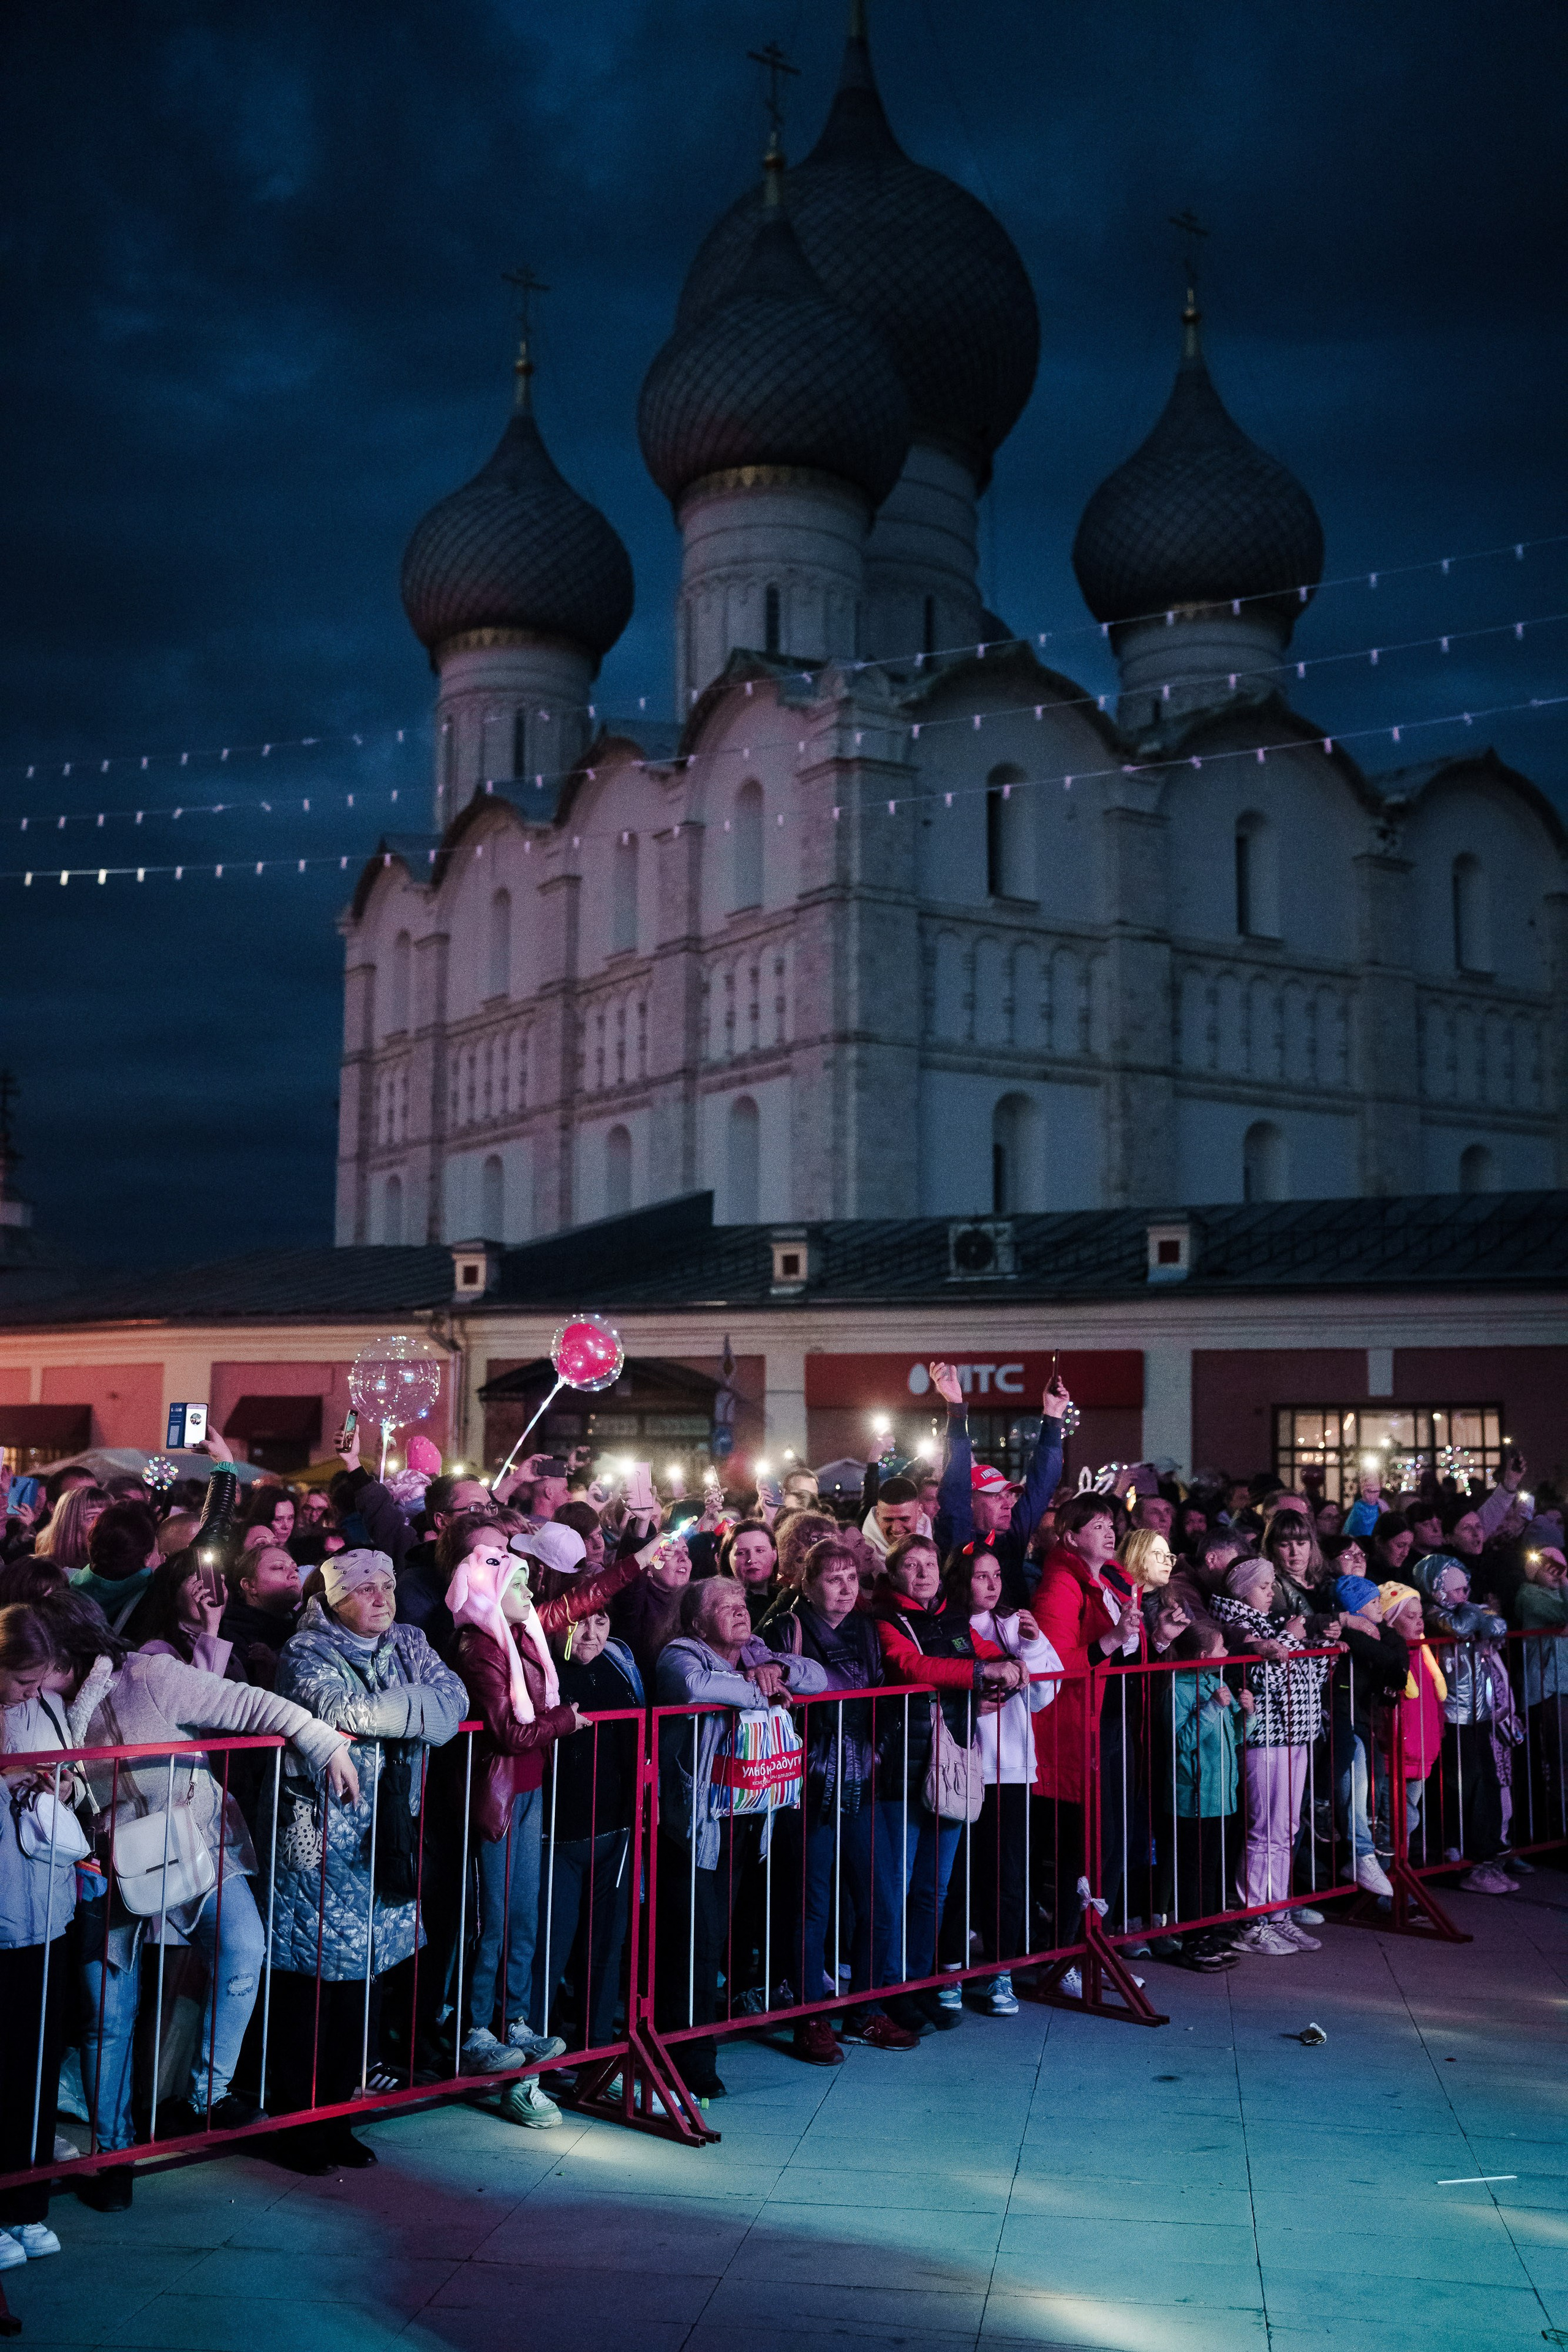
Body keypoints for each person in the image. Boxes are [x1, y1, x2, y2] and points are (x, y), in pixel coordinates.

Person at [18, 1591, 356, 2201]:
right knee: (108, 2019)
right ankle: (113, 2153)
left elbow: (249, 1703)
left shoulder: (147, 1674)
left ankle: (209, 2093)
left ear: (67, 1647)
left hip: (197, 1845)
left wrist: (322, 1740)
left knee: (242, 1948)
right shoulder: (38, 1701)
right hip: (107, 1869)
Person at [268, 1551, 466, 2171]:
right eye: (365, 1590)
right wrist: (419, 1714)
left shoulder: (409, 1640)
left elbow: (454, 1703)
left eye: (387, 1586)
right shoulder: (305, 1653)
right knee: (315, 1992)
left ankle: (339, 2118)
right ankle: (299, 2122)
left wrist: (414, 1715)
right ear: (333, 1600)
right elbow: (341, 1712)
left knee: (365, 1990)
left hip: (386, 1840)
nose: (383, 1598)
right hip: (323, 1843)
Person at [654, 1577, 827, 2098]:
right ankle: (689, 2056)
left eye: (741, 1603)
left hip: (747, 1818)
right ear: (696, 1620)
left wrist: (781, 1669)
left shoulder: (756, 1649)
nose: (739, 1612)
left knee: (718, 1936)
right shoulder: (679, 1653)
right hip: (697, 1822)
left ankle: (698, 2037)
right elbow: (695, 1688)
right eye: (724, 1606)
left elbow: (816, 1677)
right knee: (694, 1941)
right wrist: (763, 1687)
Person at [760, 1537, 919, 2062]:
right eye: (833, 1578)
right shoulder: (786, 1628)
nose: (846, 1588)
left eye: (852, 1577)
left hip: (865, 1775)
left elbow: (886, 1693)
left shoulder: (870, 1630)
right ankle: (810, 2017)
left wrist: (878, 1748)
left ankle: (867, 2009)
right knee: (812, 1905)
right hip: (809, 1780)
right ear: (807, 1584)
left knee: (878, 1896)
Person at [445, 1531, 579, 2123]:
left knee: (524, 1911)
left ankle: (516, 2019)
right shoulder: (482, 1647)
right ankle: (475, 2027)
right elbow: (509, 1732)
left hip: (527, 1790)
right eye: (519, 1583)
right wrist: (565, 1720)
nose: (531, 1591)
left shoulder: (526, 1637)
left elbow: (588, 1595)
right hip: (497, 1796)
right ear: (492, 1593)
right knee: (493, 1919)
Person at [866, 1532, 1021, 2032]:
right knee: (898, 1886)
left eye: (929, 1563)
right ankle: (889, 1989)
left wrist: (1014, 1666)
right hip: (902, 1769)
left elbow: (989, 1652)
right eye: (911, 1565)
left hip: (950, 1766)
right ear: (895, 1575)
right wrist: (982, 1674)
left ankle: (916, 1982)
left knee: (934, 1887)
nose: (923, 1573)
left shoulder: (953, 1618)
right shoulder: (886, 1620)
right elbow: (912, 1666)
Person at [941, 1543, 1061, 2016]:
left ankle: (1000, 1973)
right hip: (959, 1767)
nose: (991, 1585)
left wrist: (1031, 1642)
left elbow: (1044, 1693)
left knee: (1008, 1876)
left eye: (996, 1575)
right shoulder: (947, 1627)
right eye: (980, 1576)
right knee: (958, 1873)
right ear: (961, 1580)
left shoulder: (1013, 1625)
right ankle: (951, 1969)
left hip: (1010, 1769)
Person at [0, 1605, 83, 2267]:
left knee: (35, 2065)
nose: (32, 1690)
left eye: (38, 1680)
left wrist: (64, 1784)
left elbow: (79, 1779)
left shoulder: (48, 1711)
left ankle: (27, 2204)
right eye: (22, 1680)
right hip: (5, 1917)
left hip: (47, 1913)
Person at [1031, 1493, 1144, 1972]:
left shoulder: (1115, 1579)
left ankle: (1095, 1946)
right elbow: (1054, 1667)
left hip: (1114, 1721)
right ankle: (1068, 1958)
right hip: (1080, 1729)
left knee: (1114, 1840)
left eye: (1111, 1523)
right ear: (1072, 1537)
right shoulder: (1060, 1584)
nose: (1109, 1531)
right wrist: (1112, 1640)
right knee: (1089, 1847)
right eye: (1096, 1525)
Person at [1210, 1557, 1333, 1956]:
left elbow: (1309, 1676)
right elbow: (1266, 1677)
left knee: (1287, 1828)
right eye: (1264, 1585)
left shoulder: (1273, 1624)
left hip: (1295, 1732)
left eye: (1272, 1585)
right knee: (1264, 1829)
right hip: (1264, 1736)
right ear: (1243, 1588)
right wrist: (1294, 1641)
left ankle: (1276, 1911)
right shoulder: (1238, 1625)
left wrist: (1312, 1651)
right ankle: (1251, 1918)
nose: (1271, 1592)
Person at [533, 1605, 639, 2060]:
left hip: (613, 1830)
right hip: (554, 1834)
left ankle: (596, 2049)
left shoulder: (617, 1664)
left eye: (602, 1621)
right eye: (582, 1622)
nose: (593, 1634)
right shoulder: (539, 1670)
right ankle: (538, 2048)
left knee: (605, 1948)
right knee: (547, 1949)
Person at [1410, 1554, 1520, 1893]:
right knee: (1462, 1788)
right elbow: (1461, 1626)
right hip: (1453, 1715)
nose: (1464, 1595)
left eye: (1466, 1588)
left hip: (1479, 1713)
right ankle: (1465, 1860)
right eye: (1456, 1590)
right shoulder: (1434, 1614)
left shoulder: (1464, 1611)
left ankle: (1484, 1858)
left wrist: (1485, 1618)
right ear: (1438, 1591)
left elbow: (1497, 1625)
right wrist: (1478, 1614)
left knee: (1485, 1784)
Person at [930, 1360, 1071, 1607]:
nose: (1008, 1503)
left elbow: (1042, 1484)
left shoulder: (1011, 1534)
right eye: (996, 1496)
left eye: (1009, 1494)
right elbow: (955, 1486)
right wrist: (956, 1409)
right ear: (970, 1503)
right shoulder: (957, 1537)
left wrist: (1053, 1416)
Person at [1152, 1620, 1248, 1969]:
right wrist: (1212, 1708)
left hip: (1221, 1794)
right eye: (1223, 1648)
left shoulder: (1214, 1681)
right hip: (1190, 1798)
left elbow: (1235, 1736)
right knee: (1193, 1871)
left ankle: (1210, 1932)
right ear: (1205, 1655)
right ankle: (1194, 1939)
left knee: (1214, 1869)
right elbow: (1181, 1743)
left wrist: (1246, 1714)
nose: (1227, 1654)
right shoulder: (1176, 1690)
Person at [1378, 1581, 1447, 1863]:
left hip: (1420, 1755)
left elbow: (1434, 1703)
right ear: (1391, 1621)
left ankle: (1399, 1882)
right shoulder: (1390, 1660)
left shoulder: (1423, 1654)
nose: (1419, 1622)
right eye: (1409, 1617)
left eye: (1420, 1616)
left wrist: (1437, 1736)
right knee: (1395, 1824)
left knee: (1403, 1830)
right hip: (1393, 1756)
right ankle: (1383, 1889)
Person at [219, 1544, 302, 1686]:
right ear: (250, 1585)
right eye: (279, 1567)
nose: (294, 1574)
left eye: (296, 1569)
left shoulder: (305, 1626)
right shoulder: (231, 1633)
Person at [31, 1485, 108, 1573]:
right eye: (92, 1517)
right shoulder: (44, 1571)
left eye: (107, 1516)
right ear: (71, 1524)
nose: (104, 1523)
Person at [719, 1519, 779, 1625]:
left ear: (774, 1555)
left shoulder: (785, 1596)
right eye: (741, 1553)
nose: (752, 1560)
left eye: (760, 1551)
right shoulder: (720, 1606)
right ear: (727, 1559)